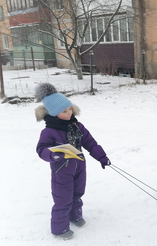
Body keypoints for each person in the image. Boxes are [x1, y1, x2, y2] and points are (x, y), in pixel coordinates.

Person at [35, 83, 111, 240]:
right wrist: (53, 154)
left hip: (79, 166)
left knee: (77, 193)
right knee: (63, 198)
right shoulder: (49, 131)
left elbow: (90, 142)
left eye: (69, 108)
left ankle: (75, 216)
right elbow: (41, 149)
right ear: (55, 114)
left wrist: (101, 157)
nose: (69, 112)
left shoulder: (77, 126)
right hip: (61, 169)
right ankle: (59, 228)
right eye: (64, 111)